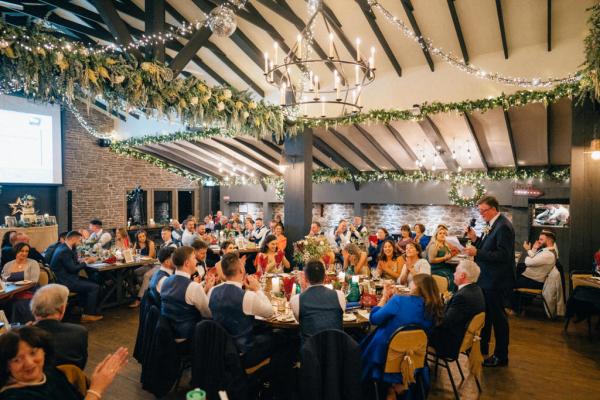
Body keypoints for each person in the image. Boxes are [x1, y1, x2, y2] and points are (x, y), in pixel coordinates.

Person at [361, 274, 443, 399]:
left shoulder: (399, 300)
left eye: (412, 282)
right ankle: (395, 386)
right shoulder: (433, 308)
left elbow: (374, 319)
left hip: (385, 355)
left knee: (362, 341)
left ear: (416, 287)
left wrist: (384, 297)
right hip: (413, 357)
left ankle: (389, 387)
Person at [0, 326, 127, 400]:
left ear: (44, 351)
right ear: (7, 365)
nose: (29, 363)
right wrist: (96, 390)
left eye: (33, 353)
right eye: (17, 359)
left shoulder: (52, 374)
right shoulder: (13, 397)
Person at [465, 196, 515, 367]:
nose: (481, 214)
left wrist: (476, 253)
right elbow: (488, 248)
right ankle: (482, 347)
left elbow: (503, 256)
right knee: (486, 317)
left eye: (483, 211)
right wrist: (476, 240)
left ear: (493, 208)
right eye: (480, 211)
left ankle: (501, 356)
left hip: (497, 281)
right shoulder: (493, 225)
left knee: (499, 320)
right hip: (487, 279)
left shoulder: (503, 227)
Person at [208, 253, 274, 367]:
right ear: (241, 271)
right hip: (244, 353)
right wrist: (257, 290)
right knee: (280, 338)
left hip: (220, 349)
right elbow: (269, 312)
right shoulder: (246, 297)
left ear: (223, 272)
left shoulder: (212, 291)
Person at [429, 260, 486, 359]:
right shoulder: (476, 289)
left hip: (450, 342)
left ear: (462, 276)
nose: (454, 274)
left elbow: (445, 322)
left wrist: (431, 311)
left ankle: (418, 369)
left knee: (417, 328)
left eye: (456, 272)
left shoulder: (462, 296)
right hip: (462, 336)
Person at [160, 246, 215, 341]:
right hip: (189, 336)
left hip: (168, 334)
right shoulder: (193, 287)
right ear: (187, 263)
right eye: (194, 258)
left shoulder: (165, 281)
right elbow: (208, 313)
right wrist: (210, 292)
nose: (197, 262)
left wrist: (205, 288)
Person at [30, 284, 88, 369]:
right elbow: (81, 365)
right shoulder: (80, 332)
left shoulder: (22, 335)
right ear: (62, 309)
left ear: (33, 309)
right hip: (72, 380)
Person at [49, 231, 102, 322]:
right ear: (73, 239)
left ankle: (82, 307)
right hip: (66, 281)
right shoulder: (65, 251)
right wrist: (87, 262)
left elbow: (69, 264)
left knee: (92, 281)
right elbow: (73, 269)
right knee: (95, 287)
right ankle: (88, 314)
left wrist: (81, 260)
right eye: (79, 240)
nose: (80, 242)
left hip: (65, 278)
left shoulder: (64, 248)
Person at [291, 260, 346, 338]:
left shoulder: (296, 299)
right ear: (325, 277)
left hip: (310, 348)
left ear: (306, 278)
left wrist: (303, 288)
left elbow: (302, 321)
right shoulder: (339, 295)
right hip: (335, 347)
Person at [2, 243, 40, 323]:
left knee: (17, 304)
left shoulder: (33, 263)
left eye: (27, 251)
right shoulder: (8, 265)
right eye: (22, 251)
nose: (25, 253)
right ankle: (4, 326)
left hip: (29, 291)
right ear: (16, 251)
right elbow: (3, 279)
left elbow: (34, 281)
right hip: (10, 291)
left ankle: (18, 327)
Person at [427, 226, 460, 292]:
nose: (442, 235)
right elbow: (431, 260)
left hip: (444, 266)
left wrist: (454, 252)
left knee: (457, 273)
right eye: (440, 233)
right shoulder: (434, 245)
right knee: (451, 276)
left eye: (444, 233)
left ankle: (455, 294)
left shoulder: (445, 245)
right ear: (436, 235)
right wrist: (444, 258)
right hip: (435, 268)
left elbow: (449, 256)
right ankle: (448, 295)